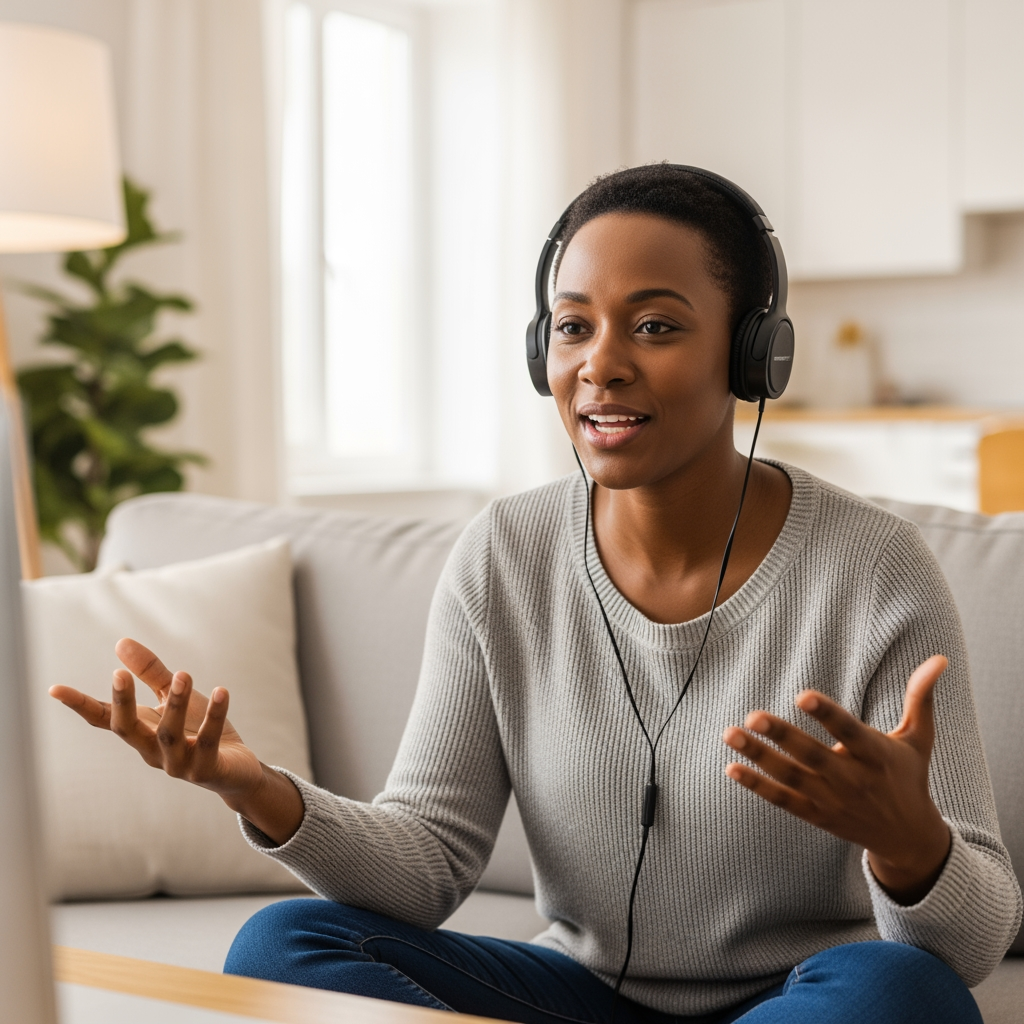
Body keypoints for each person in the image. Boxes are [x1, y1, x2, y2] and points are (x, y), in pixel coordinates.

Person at [51, 165, 1021, 1024]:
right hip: (575, 993)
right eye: (571, 326)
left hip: (803, 996)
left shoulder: (876, 570)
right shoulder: (505, 555)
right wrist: (254, 789)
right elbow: (427, 861)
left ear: (751, 354)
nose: (600, 361)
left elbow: (968, 949)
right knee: (284, 946)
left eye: (654, 325)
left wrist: (909, 845)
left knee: (905, 994)